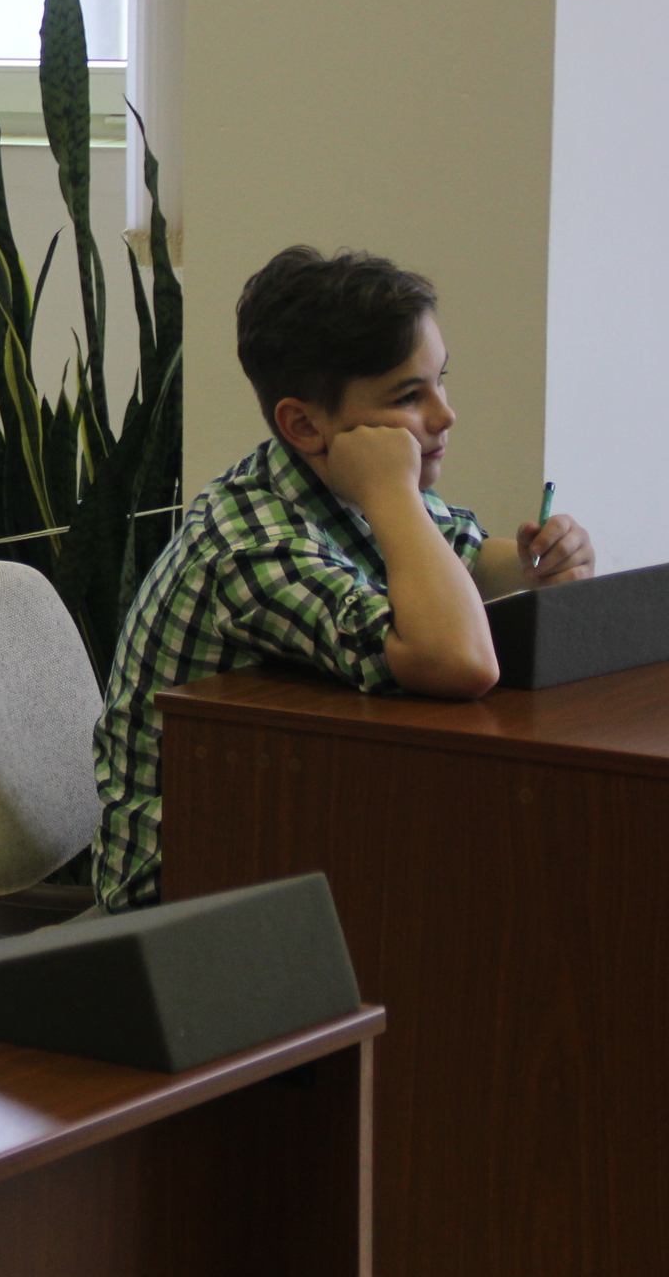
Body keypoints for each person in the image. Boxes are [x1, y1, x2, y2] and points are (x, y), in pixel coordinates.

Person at [90, 246, 595, 914]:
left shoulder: (339, 486)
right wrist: (393, 493)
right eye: (409, 396)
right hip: (183, 893)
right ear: (304, 424)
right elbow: (460, 659)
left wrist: (541, 564)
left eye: (440, 380)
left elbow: (471, 563)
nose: (445, 415)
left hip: (290, 830)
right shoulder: (251, 546)